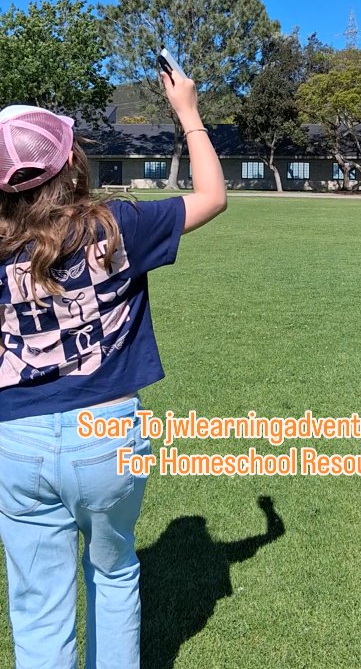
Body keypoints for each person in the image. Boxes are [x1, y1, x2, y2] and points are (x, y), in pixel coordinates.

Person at [0, 67, 226, 669]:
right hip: (107, 431)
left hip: (14, 438)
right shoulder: (116, 224)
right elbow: (212, 196)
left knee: (39, 604)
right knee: (115, 571)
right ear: (70, 159)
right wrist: (187, 110)